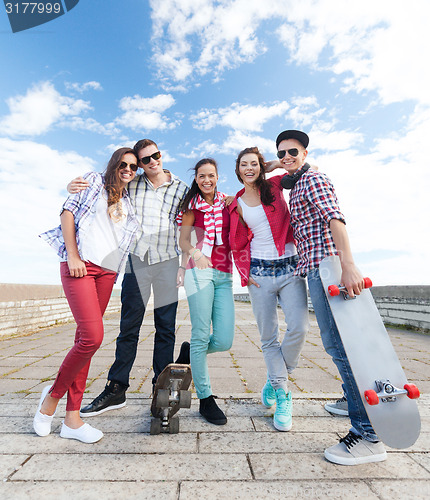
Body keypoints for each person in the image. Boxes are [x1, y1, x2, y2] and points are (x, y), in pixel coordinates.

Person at [273, 129, 387, 465]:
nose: (286, 158)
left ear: (306, 153)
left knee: (340, 346)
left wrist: (348, 265)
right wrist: (280, 163)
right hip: (317, 270)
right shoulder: (296, 179)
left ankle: (368, 434)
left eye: (293, 152)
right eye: (281, 154)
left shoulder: (314, 180)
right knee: (343, 344)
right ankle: (351, 399)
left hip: (329, 270)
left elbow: (335, 219)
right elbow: (272, 167)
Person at [67, 139, 190, 417]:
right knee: (129, 327)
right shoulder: (132, 182)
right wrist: (72, 187)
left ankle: (160, 391)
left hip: (168, 262)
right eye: (145, 160)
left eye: (154, 156)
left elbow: (201, 211)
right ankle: (117, 388)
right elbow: (105, 182)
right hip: (137, 261)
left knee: (166, 328)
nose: (151, 162)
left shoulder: (181, 188)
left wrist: (184, 265)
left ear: (161, 154)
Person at [34, 148, 140, 443]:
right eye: (123, 164)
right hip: (80, 265)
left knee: (85, 341)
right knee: (93, 337)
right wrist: (72, 256)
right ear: (113, 164)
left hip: (107, 273)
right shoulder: (94, 181)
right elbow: (67, 212)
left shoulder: (129, 201)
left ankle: (72, 419)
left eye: (133, 166)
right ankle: (51, 399)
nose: (128, 170)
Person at [228, 147, 309, 432]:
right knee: (268, 337)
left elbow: (301, 168)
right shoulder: (235, 201)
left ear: (261, 167)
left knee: (300, 328)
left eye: (254, 164)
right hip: (259, 273)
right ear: (238, 170)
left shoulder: (275, 184)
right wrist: (244, 273)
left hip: (289, 267)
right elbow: (235, 241)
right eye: (244, 165)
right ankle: (283, 394)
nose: (249, 168)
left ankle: (275, 378)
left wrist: (272, 164)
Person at [176, 158, 235, 425]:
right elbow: (183, 240)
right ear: (196, 178)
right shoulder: (191, 206)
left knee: (224, 340)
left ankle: (190, 353)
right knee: (201, 334)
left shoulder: (227, 202)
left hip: (225, 274)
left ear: (218, 177)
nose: (206, 180)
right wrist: (196, 255)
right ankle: (205, 398)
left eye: (211, 175)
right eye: (202, 176)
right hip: (198, 271)